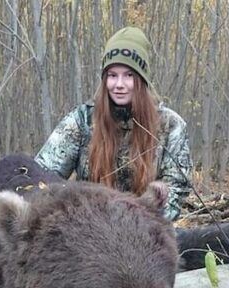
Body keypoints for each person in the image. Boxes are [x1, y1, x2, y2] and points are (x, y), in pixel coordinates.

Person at [35, 27, 193, 220]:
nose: (119, 84)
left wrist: (137, 219)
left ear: (141, 79)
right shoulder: (82, 120)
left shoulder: (170, 126)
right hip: (90, 226)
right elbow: (42, 176)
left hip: (147, 228)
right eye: (112, 75)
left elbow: (176, 190)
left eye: (128, 75)